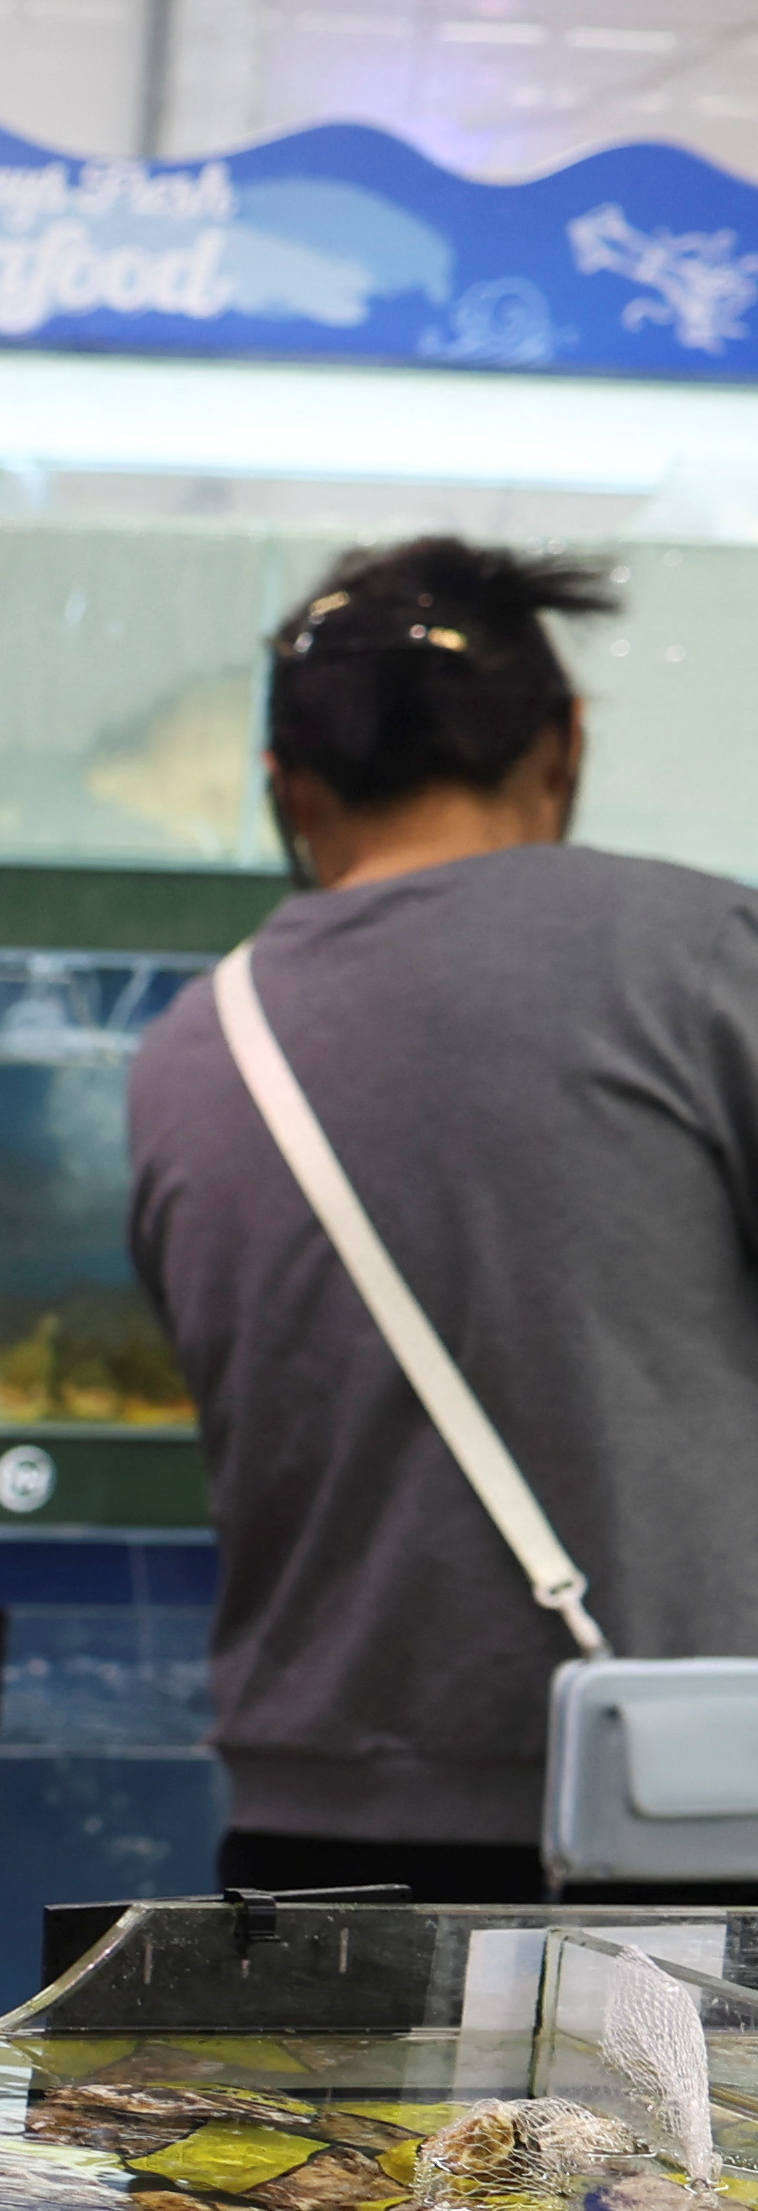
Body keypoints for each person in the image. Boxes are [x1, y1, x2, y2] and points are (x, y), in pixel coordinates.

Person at [128, 539, 758, 1901]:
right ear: (564, 742)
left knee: (343, 2131)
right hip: (685, 1825)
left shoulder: (191, 1043)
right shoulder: (701, 961)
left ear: (285, 786)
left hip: (312, 1844)